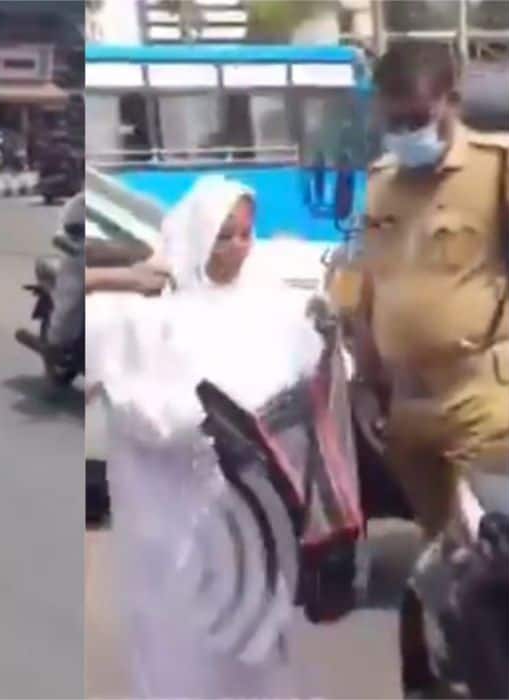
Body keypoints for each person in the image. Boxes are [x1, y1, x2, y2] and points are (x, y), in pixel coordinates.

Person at [85, 175, 320, 698]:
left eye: (244, 234)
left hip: (255, 517)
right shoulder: (154, 320)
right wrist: (200, 418)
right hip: (180, 522)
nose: (238, 247)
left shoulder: (270, 309)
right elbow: (134, 408)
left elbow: (304, 385)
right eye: (224, 236)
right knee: (186, 646)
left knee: (259, 645)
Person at [353, 41, 509, 697]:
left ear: (450, 99)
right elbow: (366, 288)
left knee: (485, 567)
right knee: (437, 568)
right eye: (393, 118)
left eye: (417, 115)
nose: (405, 130)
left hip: (484, 401)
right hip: (407, 414)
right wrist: (364, 379)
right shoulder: (382, 181)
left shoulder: (498, 169)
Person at [44, 193, 170, 356]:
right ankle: (56, 342)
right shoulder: (79, 205)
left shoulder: (114, 205)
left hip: (110, 256)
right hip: (80, 258)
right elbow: (63, 233)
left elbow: (127, 234)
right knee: (71, 298)